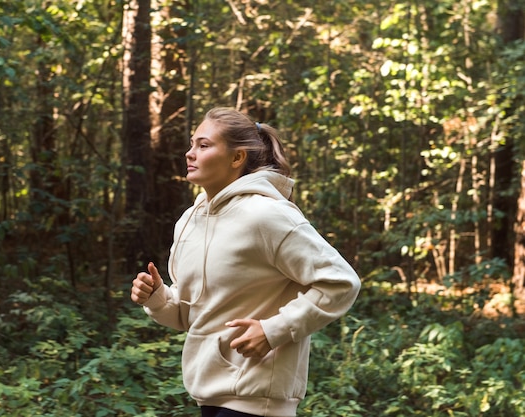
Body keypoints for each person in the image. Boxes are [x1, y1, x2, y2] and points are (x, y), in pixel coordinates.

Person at [131, 107, 361, 417]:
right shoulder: (190, 220)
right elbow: (189, 316)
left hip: (258, 398)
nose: (190, 153)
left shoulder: (267, 215)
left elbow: (341, 282)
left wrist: (273, 330)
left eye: (204, 145)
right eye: (191, 144)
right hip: (209, 394)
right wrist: (157, 297)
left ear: (237, 158)